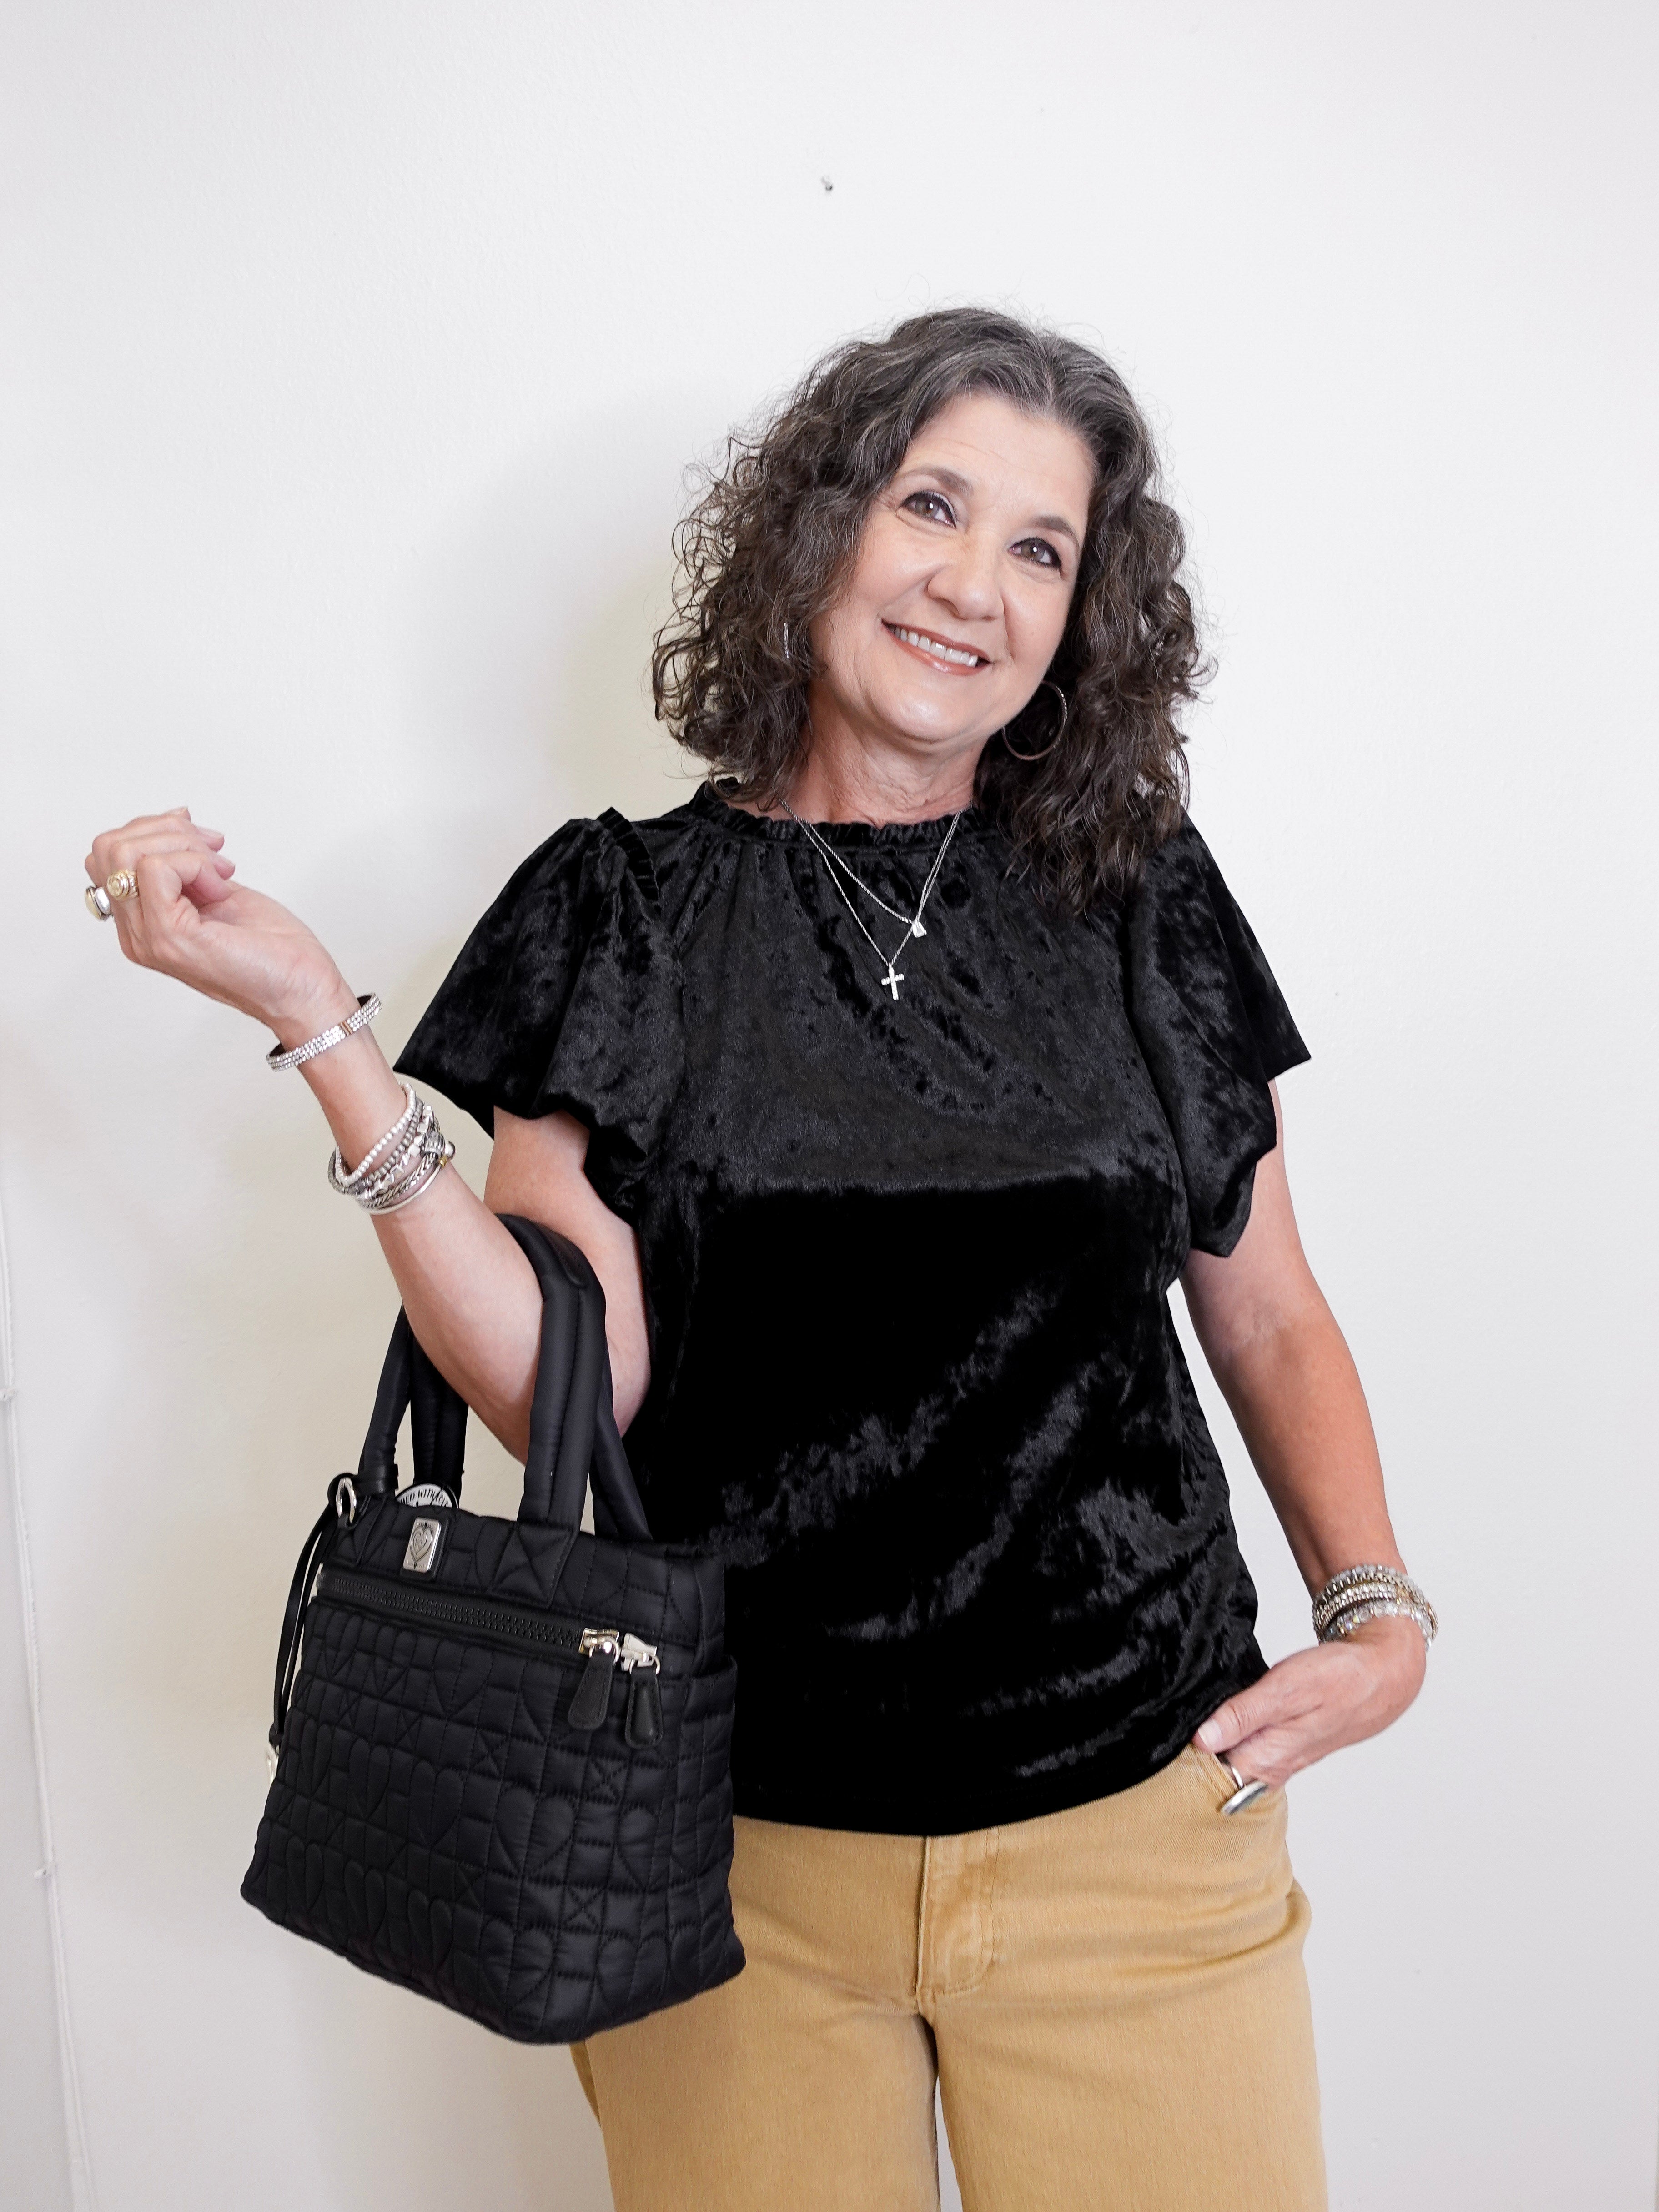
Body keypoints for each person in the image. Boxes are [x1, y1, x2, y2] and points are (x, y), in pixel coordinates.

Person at [85, 307, 1433, 2212]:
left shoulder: (1138, 898)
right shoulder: (621, 911)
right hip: (724, 1846)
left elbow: (1268, 1301)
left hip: (1135, 1815)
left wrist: (1376, 1610)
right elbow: (581, 1388)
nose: (975, 584)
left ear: (1083, 617)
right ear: (822, 529)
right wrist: (325, 1035)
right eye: (932, 506)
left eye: (1041, 550)